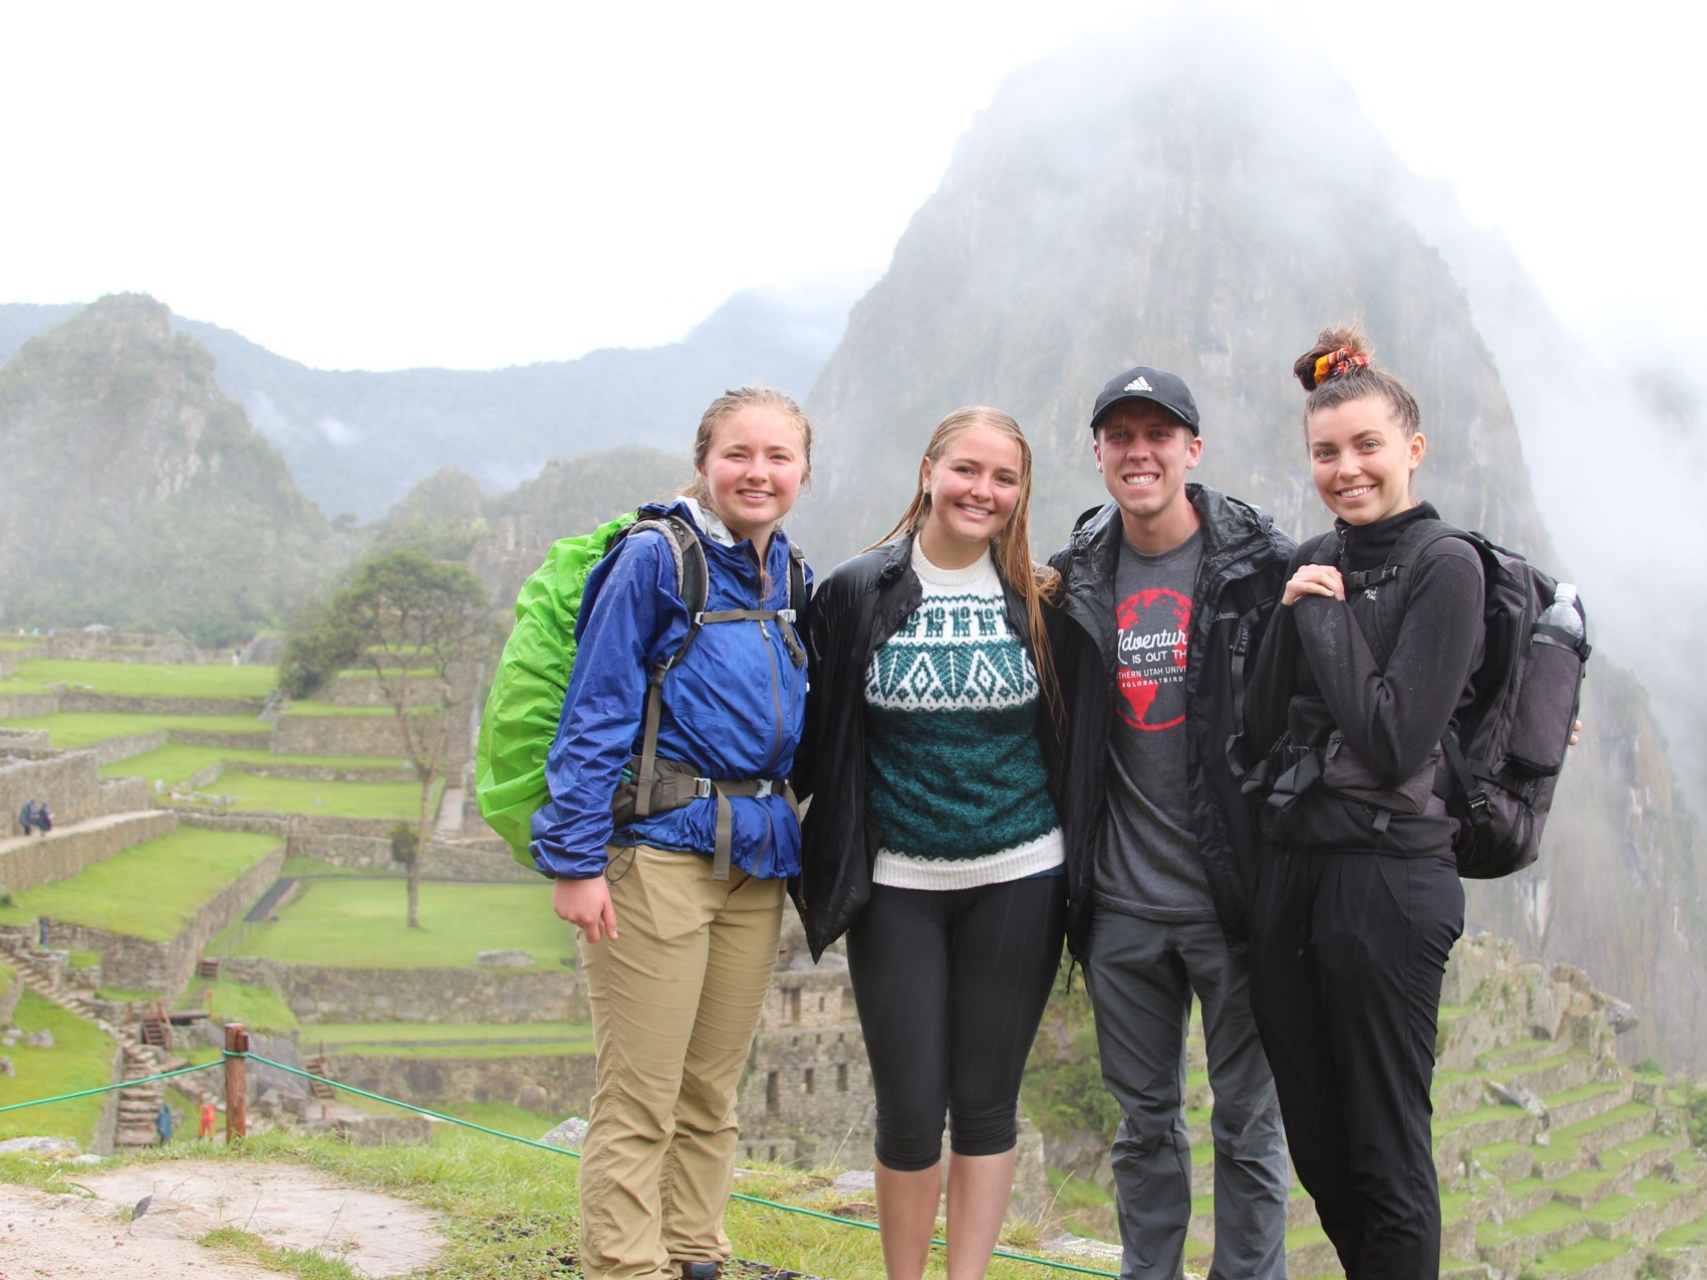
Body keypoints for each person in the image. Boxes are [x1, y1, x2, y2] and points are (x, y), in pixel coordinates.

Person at [531, 386, 813, 1280]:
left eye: (778, 457)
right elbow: (596, 708)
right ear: (704, 462)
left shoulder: (789, 576)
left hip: (754, 861)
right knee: (641, 1092)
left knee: (710, 1091)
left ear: (803, 470)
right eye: (739, 454)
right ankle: (625, 1264)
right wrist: (575, 862)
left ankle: (695, 1252)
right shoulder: (656, 560)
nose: (757, 473)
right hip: (655, 855)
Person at [793, 407, 1065, 1280]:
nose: (982, 491)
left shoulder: (1039, 599)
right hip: (897, 881)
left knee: (986, 1105)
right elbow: (812, 737)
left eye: (1004, 478)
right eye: (967, 470)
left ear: (1020, 494)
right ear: (927, 472)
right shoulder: (854, 591)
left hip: (1020, 874)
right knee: (908, 1108)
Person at [1236, 325, 1479, 1279]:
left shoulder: (1444, 566)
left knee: (1384, 1150)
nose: (1346, 469)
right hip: (1293, 873)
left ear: (1411, 448)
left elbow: (1393, 740)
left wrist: (1322, 615)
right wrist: (1290, 611)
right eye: (1326, 453)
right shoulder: (1312, 558)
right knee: (1322, 1154)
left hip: (1387, 881)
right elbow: (1256, 734)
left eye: (1366, 446)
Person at [1047, 367, 1293, 1280]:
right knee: (1143, 1126)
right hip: (1119, 905)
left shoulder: (1262, 569)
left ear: (1193, 449)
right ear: (1099, 453)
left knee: (1248, 1123)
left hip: (1230, 902)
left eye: (1159, 434)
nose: (1139, 452)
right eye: (1121, 436)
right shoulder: (1070, 582)